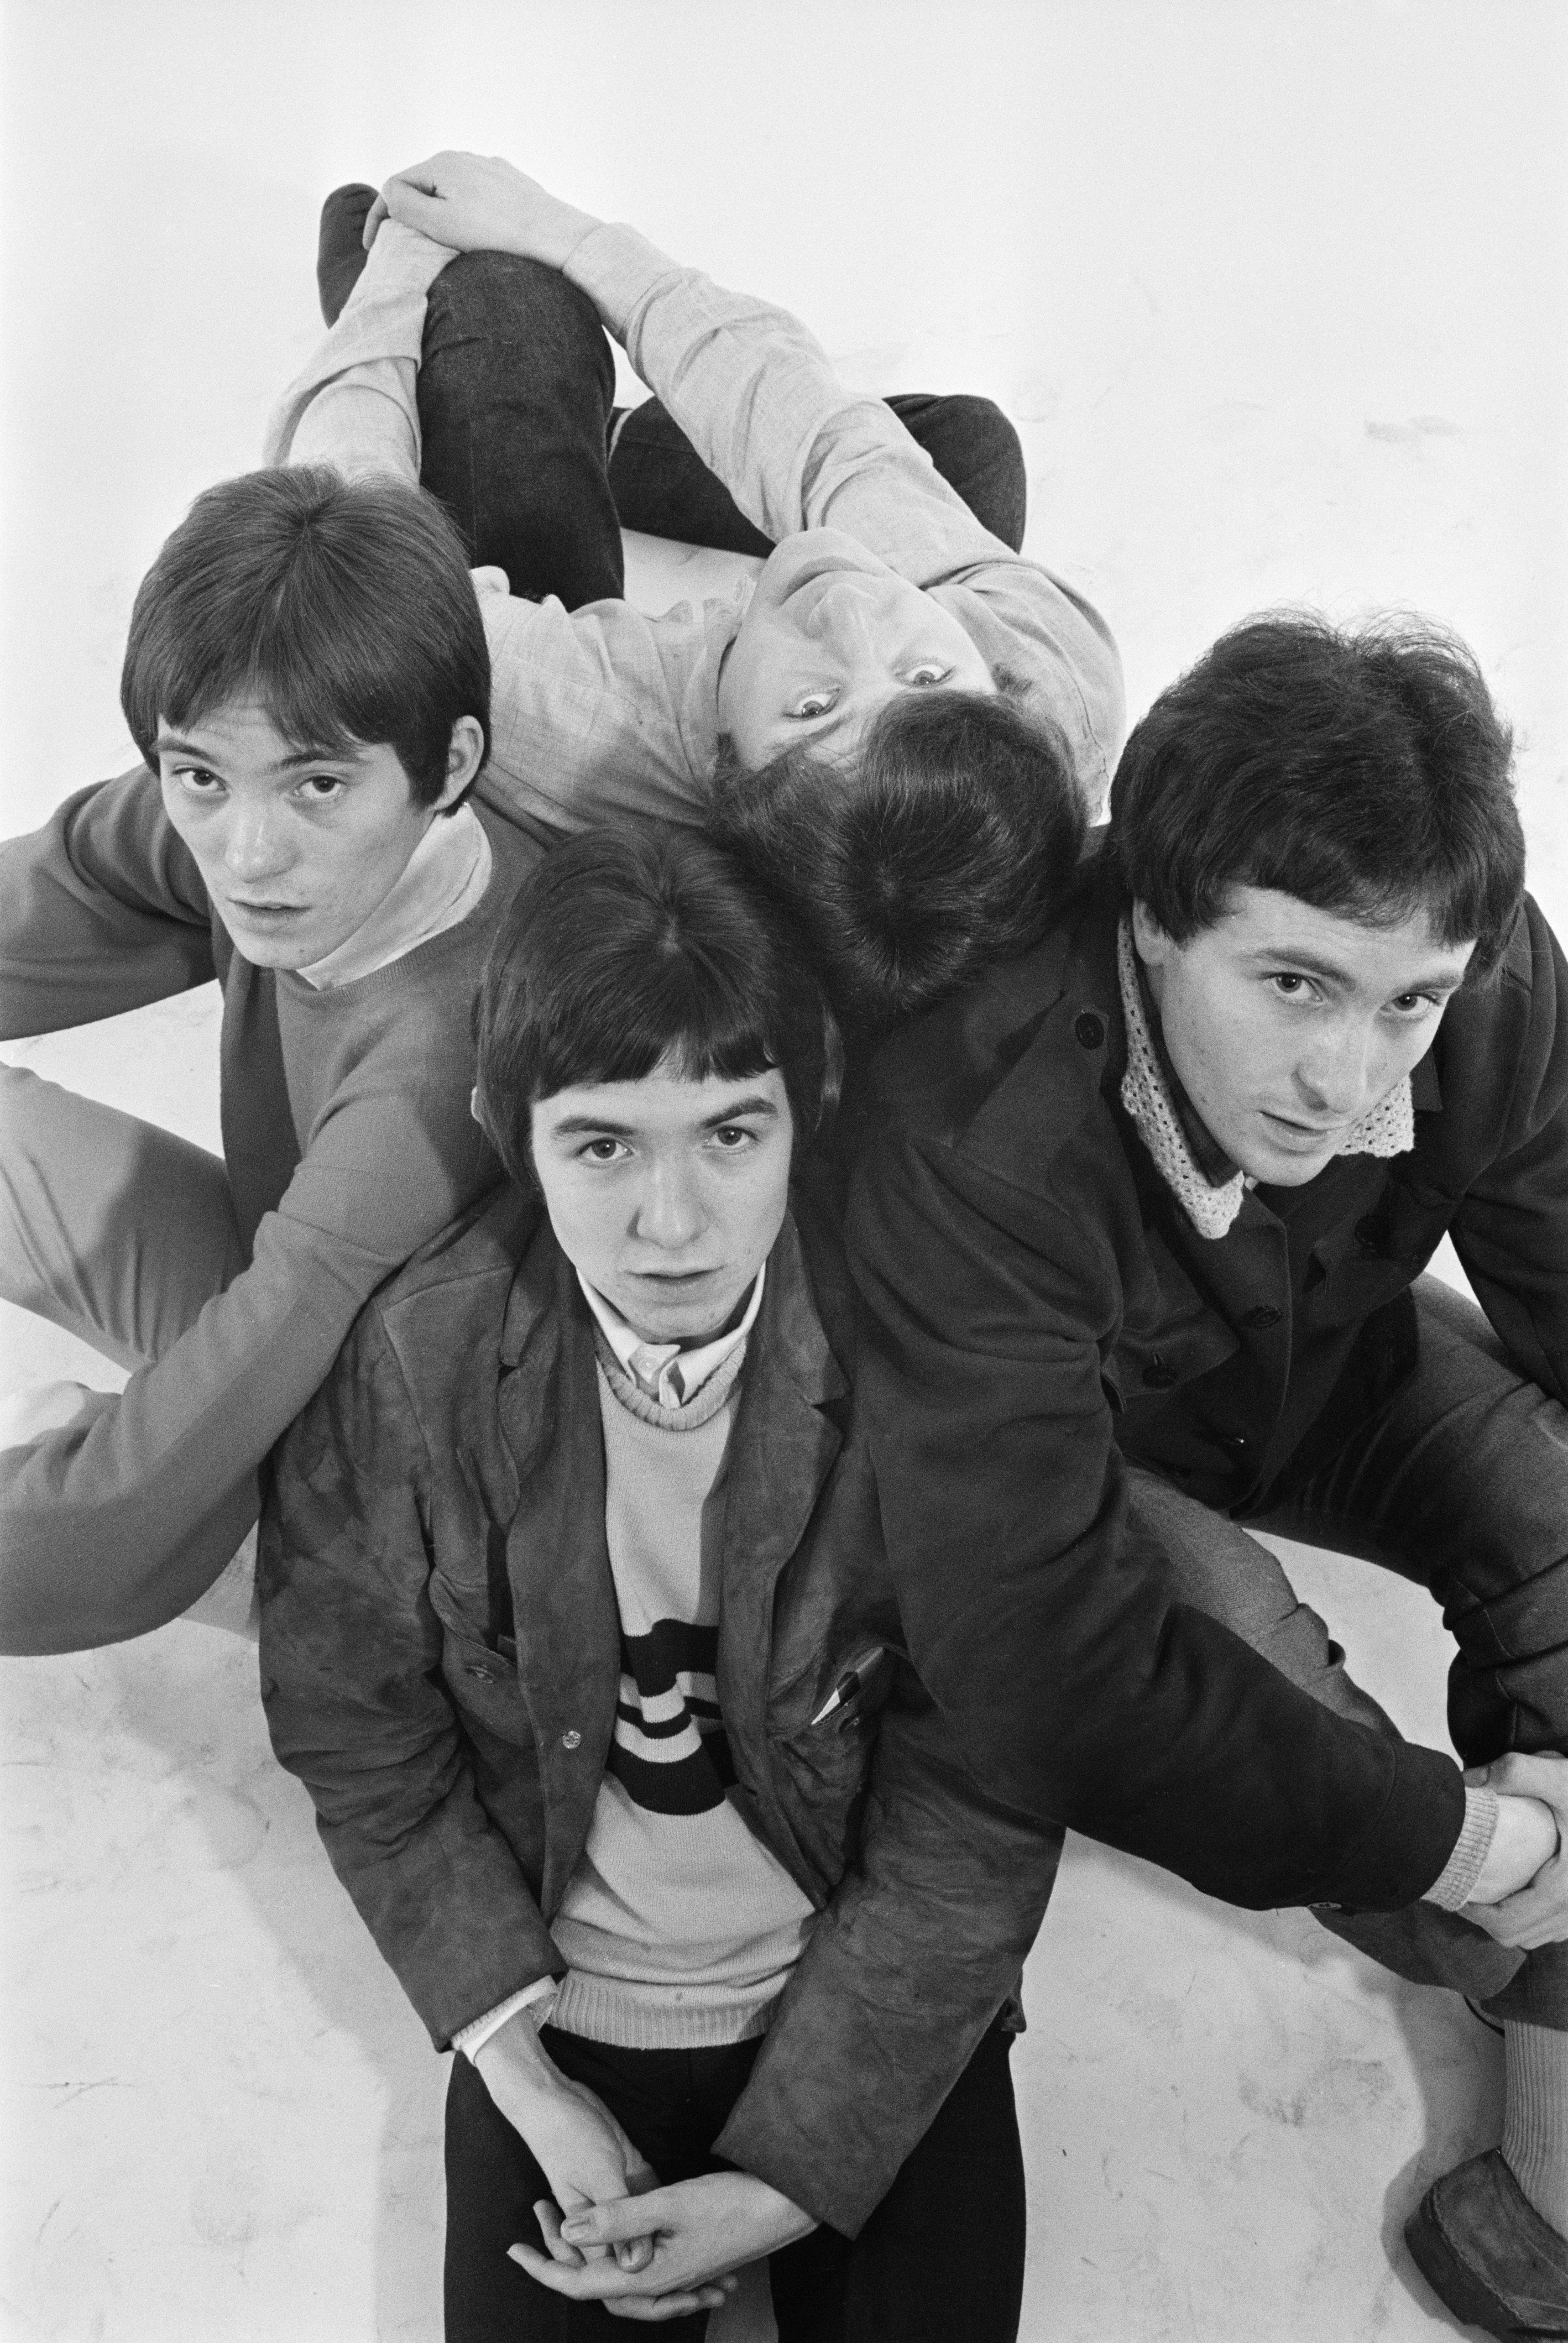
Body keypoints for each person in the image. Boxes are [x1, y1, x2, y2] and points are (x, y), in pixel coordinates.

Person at [844, 614, 1568, 2338]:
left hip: (1321, 1357)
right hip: (1056, 1440)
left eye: (1406, 1002)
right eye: (1293, 985)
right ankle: (1521, 1941)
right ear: (1153, 915)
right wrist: (1466, 1845)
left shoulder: (1470, 961)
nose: (1350, 1070)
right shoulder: (970, 1112)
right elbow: (1049, 1662)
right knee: (1248, 1662)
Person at [259, 824, 1057, 2338]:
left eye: (729, 1134)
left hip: (866, 2000)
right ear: (515, 1129)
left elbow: (989, 1789)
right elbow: (352, 1722)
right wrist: (529, 2084)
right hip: (559, 2019)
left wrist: (783, 2179)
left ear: (804, 1111)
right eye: (605, 1144)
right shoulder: (422, 1361)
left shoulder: (929, 1357)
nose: (671, 1223)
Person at [267, 149, 1120, 1025]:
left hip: (578, 669)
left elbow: (342, 544)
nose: (850, 610)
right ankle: (570, 426)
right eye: (927, 678)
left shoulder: (599, 735)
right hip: (924, 644)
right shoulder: (1048, 658)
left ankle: (476, 378)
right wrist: (567, 231)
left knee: (510, 298)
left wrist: (399, 266)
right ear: (1004, 694)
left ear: (723, 756)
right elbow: (812, 422)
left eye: (815, 705)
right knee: (972, 453)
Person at [0, 465, 549, 1651]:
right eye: (198, 774)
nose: (247, 854)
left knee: (129, 1505)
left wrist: (72, 1486)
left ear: (450, 768)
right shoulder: (250, 810)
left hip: (445, 1484)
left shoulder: (442, 1073)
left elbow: (109, 1527)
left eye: (317, 784)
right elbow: (69, 885)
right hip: (295, 1290)